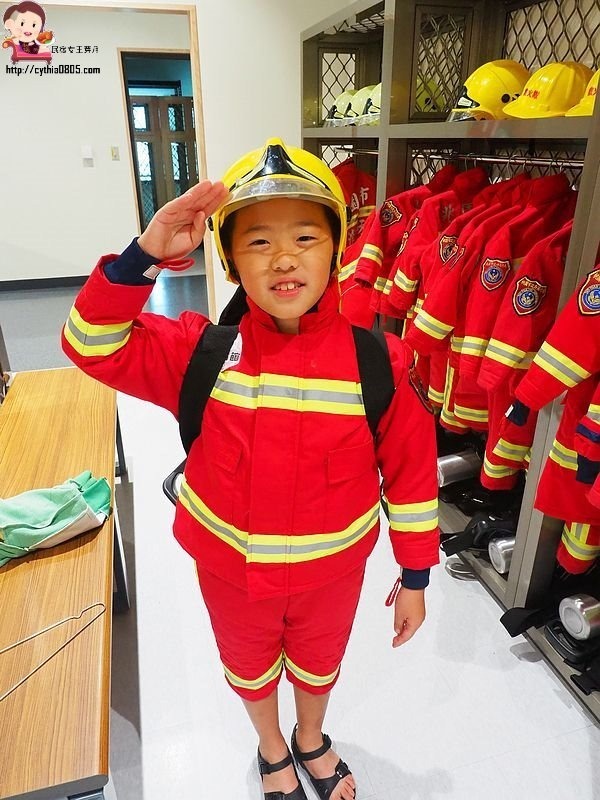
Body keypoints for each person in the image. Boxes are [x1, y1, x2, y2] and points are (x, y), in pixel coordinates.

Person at [62, 138, 440, 800]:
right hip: (231, 573)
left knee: (320, 664)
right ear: (231, 260)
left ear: (337, 250)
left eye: (305, 236)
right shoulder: (199, 352)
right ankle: (272, 747)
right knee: (249, 667)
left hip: (331, 573)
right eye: (259, 242)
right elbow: (89, 344)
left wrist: (414, 575)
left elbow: (410, 478)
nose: (285, 256)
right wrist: (144, 254)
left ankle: (311, 739)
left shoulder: (379, 363)